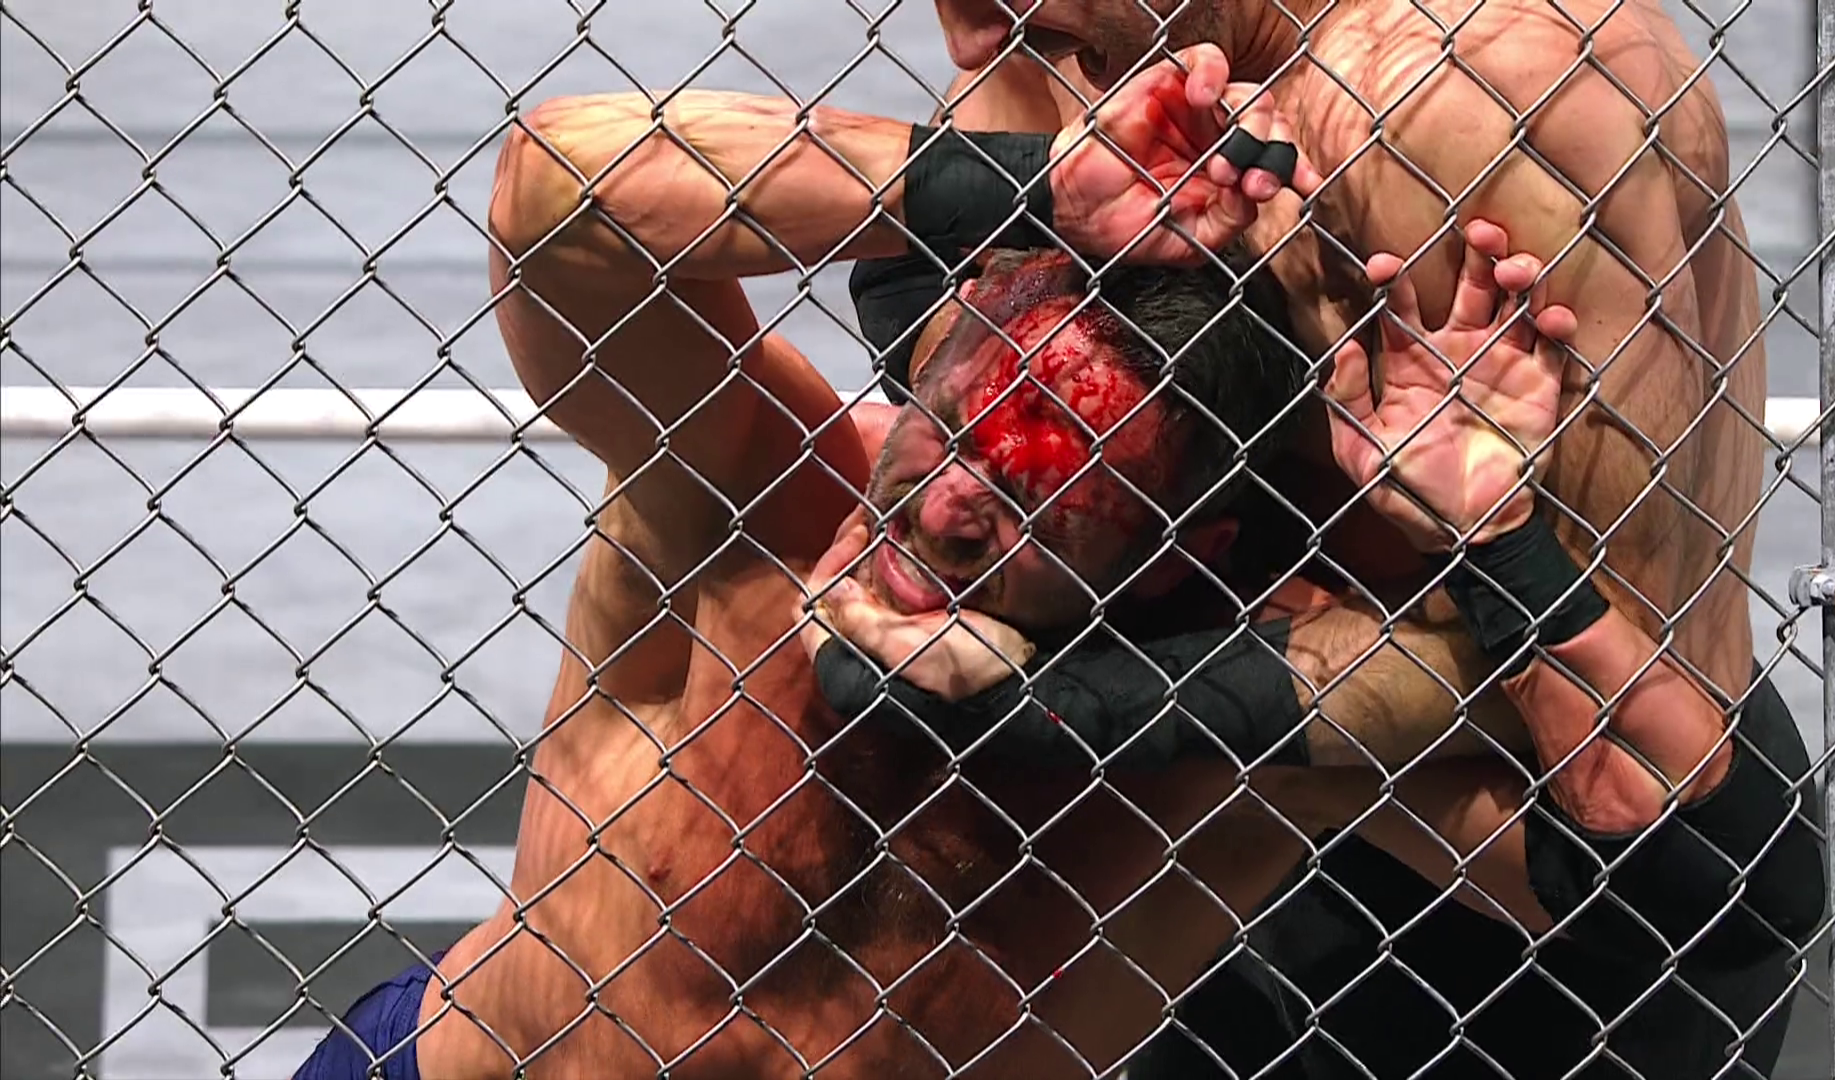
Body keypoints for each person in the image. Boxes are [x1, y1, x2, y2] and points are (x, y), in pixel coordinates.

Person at [289, 52, 1460, 1080]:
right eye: (945, 430)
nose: (944, 507)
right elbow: (559, 192)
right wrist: (1033, 183)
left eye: (1030, 503)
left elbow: (1541, 785)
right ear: (945, 343)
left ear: (1171, 558)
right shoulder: (770, 492)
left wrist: (1072, 709)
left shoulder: (1233, 726)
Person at [806, 0, 1826, 1073]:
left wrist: (1064, 704)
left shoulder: (1472, 90)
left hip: (1529, 901)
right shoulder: (1118, 50)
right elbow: (927, 290)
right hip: (1250, 843)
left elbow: (1643, 743)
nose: (977, 34)